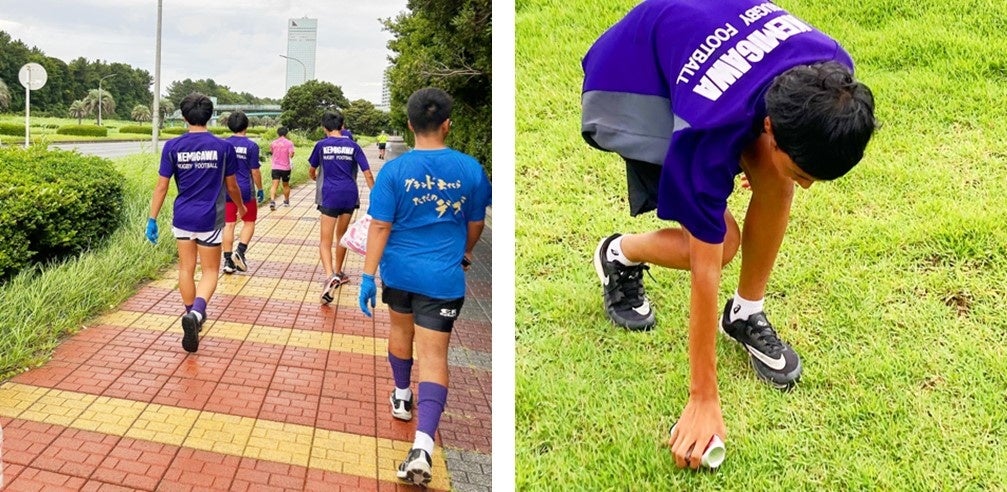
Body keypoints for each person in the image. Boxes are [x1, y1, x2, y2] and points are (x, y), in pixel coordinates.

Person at [582, 0, 876, 470]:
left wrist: (771, 164)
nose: (807, 187)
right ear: (768, 126)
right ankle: (619, 253)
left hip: (714, 49)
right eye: (805, 174)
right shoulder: (707, 132)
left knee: (775, 177)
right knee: (724, 245)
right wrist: (703, 396)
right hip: (633, 75)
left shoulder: (833, 70)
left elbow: (778, 147)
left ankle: (745, 313)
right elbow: (704, 269)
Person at [358, 87, 491, 486]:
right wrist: (464, 252)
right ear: (448, 124)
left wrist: (367, 276)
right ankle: (422, 447)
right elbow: (475, 224)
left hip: (398, 273)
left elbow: (380, 226)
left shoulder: (393, 172)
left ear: (410, 124)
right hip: (443, 279)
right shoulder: (471, 169)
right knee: (434, 356)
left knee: (400, 331)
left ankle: (401, 396)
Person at [147, 93, 245, 353]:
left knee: (186, 268)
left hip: (182, 216)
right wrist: (241, 207)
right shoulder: (224, 148)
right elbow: (232, 186)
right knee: (210, 271)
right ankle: (197, 314)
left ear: (183, 116)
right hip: (210, 218)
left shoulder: (172, 147)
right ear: (210, 116)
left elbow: (161, 187)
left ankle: (190, 313)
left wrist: (152, 218)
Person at [308, 111, 374, 304]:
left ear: (324, 127)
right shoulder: (354, 146)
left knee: (325, 241)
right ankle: (338, 272)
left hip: (329, 195)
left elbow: (312, 170)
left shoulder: (321, 145)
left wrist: (314, 177)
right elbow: (368, 174)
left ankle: (330, 276)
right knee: (341, 236)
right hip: (349, 195)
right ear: (342, 126)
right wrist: (377, 195)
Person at [222, 111, 263, 274]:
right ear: (247, 125)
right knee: (249, 221)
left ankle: (227, 261)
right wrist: (260, 189)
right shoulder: (252, 146)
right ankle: (240, 251)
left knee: (229, 224)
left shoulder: (223, 145)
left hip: (227, 189)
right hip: (246, 190)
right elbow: (255, 171)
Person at [268, 126, 295, 210]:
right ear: (286, 133)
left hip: (275, 167)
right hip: (285, 168)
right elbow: (291, 154)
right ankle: (286, 201)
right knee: (286, 185)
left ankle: (272, 201)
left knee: (274, 185)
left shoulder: (273, 143)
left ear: (278, 133)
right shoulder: (289, 143)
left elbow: (271, 152)